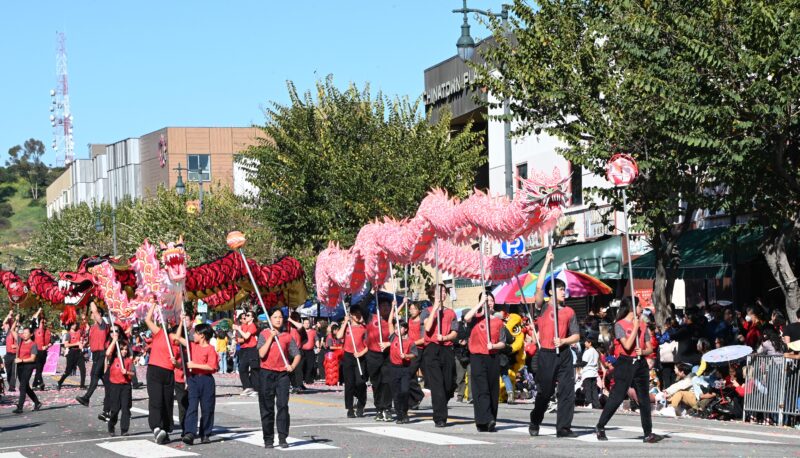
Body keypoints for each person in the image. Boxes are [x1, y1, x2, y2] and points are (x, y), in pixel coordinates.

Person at [596, 297, 663, 443]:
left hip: (640, 363)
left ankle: (648, 433)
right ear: (632, 307)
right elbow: (627, 346)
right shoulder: (619, 325)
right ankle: (600, 426)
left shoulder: (643, 325)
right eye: (639, 306)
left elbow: (650, 348)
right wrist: (635, 328)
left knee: (644, 398)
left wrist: (643, 352)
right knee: (617, 396)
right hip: (625, 362)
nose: (641, 309)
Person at [529, 251, 580, 438]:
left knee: (567, 391)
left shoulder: (569, 312)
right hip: (547, 354)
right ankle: (535, 419)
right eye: (560, 289)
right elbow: (538, 287)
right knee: (545, 392)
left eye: (564, 289)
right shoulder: (543, 307)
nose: (563, 292)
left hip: (564, 354)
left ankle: (563, 428)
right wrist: (546, 262)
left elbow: (576, 336)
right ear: (551, 292)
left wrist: (564, 340)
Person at [257, 306, 301, 449]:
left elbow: (297, 354)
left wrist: (292, 366)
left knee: (282, 406)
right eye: (275, 317)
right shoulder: (264, 334)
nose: (278, 320)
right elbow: (261, 354)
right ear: (270, 319)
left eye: (280, 317)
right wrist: (271, 337)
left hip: (282, 375)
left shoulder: (287, 336)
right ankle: (268, 439)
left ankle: (283, 437)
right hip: (266, 373)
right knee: (267, 407)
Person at [464, 292, 509, 432]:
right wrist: (479, 304)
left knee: (492, 388)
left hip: (492, 357)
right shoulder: (475, 318)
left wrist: (494, 346)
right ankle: (484, 419)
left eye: (491, 300)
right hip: (477, 357)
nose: (489, 302)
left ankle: (490, 420)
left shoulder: (498, 322)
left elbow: (503, 342)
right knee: (481, 388)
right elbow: (466, 318)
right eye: (486, 300)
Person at [422, 284, 459, 427]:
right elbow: (427, 327)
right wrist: (435, 309)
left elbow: (455, 332)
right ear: (433, 295)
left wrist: (445, 337)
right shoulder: (426, 311)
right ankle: (440, 418)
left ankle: (442, 401)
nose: (443, 293)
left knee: (449, 384)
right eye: (439, 291)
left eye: (444, 291)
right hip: (432, 349)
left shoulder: (451, 313)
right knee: (437, 384)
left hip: (447, 348)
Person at [178, 322, 219, 445]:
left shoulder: (210, 349)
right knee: (192, 406)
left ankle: (205, 433)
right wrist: (181, 322)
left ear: (202, 335)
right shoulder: (192, 346)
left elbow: (212, 367)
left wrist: (194, 365)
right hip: (193, 379)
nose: (193, 335)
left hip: (206, 380)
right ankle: (190, 433)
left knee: (207, 408)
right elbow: (178, 337)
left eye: (196, 333)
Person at [143, 305, 178, 444]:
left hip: (169, 373)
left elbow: (180, 364)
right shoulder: (160, 333)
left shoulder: (179, 344)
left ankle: (166, 429)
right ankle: (156, 427)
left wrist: (176, 362)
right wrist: (154, 305)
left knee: (167, 402)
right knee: (156, 400)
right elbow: (147, 320)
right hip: (155, 370)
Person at [336, 305, 368, 418]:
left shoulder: (364, 328)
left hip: (360, 357)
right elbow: (338, 336)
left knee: (360, 382)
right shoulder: (347, 327)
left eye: (359, 313)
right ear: (351, 315)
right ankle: (350, 408)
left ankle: (361, 405)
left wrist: (361, 353)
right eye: (355, 313)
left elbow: (369, 345)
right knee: (349, 384)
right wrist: (345, 322)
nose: (357, 315)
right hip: (348, 356)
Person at [386, 319, 419, 424]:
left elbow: (414, 354)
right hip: (393, 369)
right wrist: (394, 309)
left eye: (400, 328)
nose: (397, 330)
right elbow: (390, 323)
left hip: (405, 368)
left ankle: (404, 411)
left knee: (405, 391)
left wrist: (406, 356)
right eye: (396, 328)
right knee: (396, 393)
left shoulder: (410, 341)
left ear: (406, 329)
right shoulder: (393, 337)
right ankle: (399, 415)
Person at [366, 296, 393, 421]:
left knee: (387, 382)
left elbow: (399, 338)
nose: (385, 308)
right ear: (378, 307)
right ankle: (379, 408)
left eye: (388, 305)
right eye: (383, 306)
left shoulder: (393, 321)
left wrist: (389, 344)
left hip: (388, 355)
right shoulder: (371, 318)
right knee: (376, 383)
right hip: (373, 355)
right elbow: (362, 307)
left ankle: (387, 408)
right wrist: (372, 293)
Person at [76, 302, 109, 406]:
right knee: (102, 376)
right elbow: (91, 341)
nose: (91, 314)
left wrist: (90, 300)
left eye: (92, 312)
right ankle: (110, 396)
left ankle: (86, 398)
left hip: (101, 353)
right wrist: (84, 344)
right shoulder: (92, 327)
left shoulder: (102, 324)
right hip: (95, 354)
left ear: (98, 314)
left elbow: (94, 310)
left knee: (94, 375)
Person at [105, 334, 133, 437]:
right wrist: (114, 340)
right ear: (118, 350)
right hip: (115, 386)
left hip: (126, 386)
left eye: (125, 349)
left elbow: (133, 373)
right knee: (115, 409)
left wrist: (127, 372)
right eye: (122, 349)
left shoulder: (129, 360)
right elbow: (108, 353)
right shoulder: (113, 359)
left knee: (125, 408)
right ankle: (111, 426)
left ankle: (124, 430)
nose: (124, 351)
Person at [12, 324, 42, 413]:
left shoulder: (33, 345)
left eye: (26, 333)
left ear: (31, 334)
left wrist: (21, 360)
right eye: (23, 333)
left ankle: (20, 407)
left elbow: (32, 358)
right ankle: (37, 402)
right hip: (20, 366)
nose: (24, 335)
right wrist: (16, 321)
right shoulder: (20, 341)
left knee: (22, 386)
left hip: (28, 366)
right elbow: (12, 330)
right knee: (25, 386)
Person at [233, 311, 259, 396]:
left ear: (252, 318)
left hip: (252, 349)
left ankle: (256, 388)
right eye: (245, 315)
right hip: (244, 349)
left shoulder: (252, 326)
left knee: (254, 369)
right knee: (242, 368)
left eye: (248, 315)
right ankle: (247, 387)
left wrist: (238, 329)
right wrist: (235, 329)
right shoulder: (245, 325)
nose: (245, 317)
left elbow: (246, 336)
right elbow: (240, 336)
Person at [406, 300, 426, 408]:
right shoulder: (409, 320)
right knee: (410, 375)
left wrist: (412, 343)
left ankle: (418, 394)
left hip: (418, 350)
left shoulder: (422, 322)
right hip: (409, 349)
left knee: (409, 373)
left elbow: (424, 339)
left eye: (414, 309)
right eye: (410, 309)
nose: (412, 311)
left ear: (419, 310)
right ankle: (412, 401)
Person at [58, 321, 87, 389]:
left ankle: (82, 385)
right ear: (70, 325)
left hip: (79, 352)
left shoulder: (79, 332)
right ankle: (60, 381)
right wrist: (76, 344)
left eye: (75, 324)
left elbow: (83, 338)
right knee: (68, 371)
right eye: (73, 324)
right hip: (71, 353)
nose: (75, 325)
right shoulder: (68, 334)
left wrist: (83, 343)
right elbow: (66, 345)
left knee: (83, 369)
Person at [32, 308, 52, 390]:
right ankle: (41, 383)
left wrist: (47, 346)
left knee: (40, 369)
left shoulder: (47, 331)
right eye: (42, 322)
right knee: (38, 368)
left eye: (44, 322)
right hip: (36, 352)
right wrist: (39, 311)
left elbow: (52, 341)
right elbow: (33, 319)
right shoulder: (35, 329)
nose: (43, 324)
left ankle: (34, 384)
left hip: (44, 352)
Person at [581, 338, 601, 409]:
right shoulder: (596, 352)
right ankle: (596, 404)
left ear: (590, 343)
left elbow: (584, 362)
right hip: (594, 372)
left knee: (588, 388)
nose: (585, 343)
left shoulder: (588, 352)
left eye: (586, 342)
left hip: (587, 372)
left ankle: (588, 401)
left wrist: (575, 365)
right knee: (594, 389)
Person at [3, 311, 18, 393]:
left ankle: (12, 387)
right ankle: (10, 384)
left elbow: (21, 343)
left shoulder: (16, 332)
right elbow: (4, 322)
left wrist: (16, 346)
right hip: (8, 355)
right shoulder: (8, 331)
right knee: (8, 372)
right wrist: (9, 314)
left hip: (15, 355)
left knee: (14, 372)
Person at [300, 318, 317, 386]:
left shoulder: (313, 331)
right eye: (305, 323)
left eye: (308, 323)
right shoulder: (301, 331)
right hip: (302, 351)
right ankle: (302, 379)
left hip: (310, 351)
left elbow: (316, 339)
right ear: (303, 324)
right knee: (302, 365)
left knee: (310, 365)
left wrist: (318, 346)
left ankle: (308, 379)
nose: (307, 324)